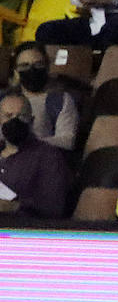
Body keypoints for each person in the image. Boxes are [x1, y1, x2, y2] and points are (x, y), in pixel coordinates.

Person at [0, 90, 72, 218]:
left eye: (21, 116)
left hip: (20, 231)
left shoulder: (48, 157)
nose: (14, 121)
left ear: (31, 121)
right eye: (8, 116)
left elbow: (54, 207)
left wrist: (14, 206)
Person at [7, 42, 79, 152]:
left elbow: (67, 141)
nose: (32, 70)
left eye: (38, 64)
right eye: (25, 66)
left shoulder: (60, 100)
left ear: (47, 68)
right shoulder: (4, 100)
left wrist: (27, 143)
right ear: (16, 72)